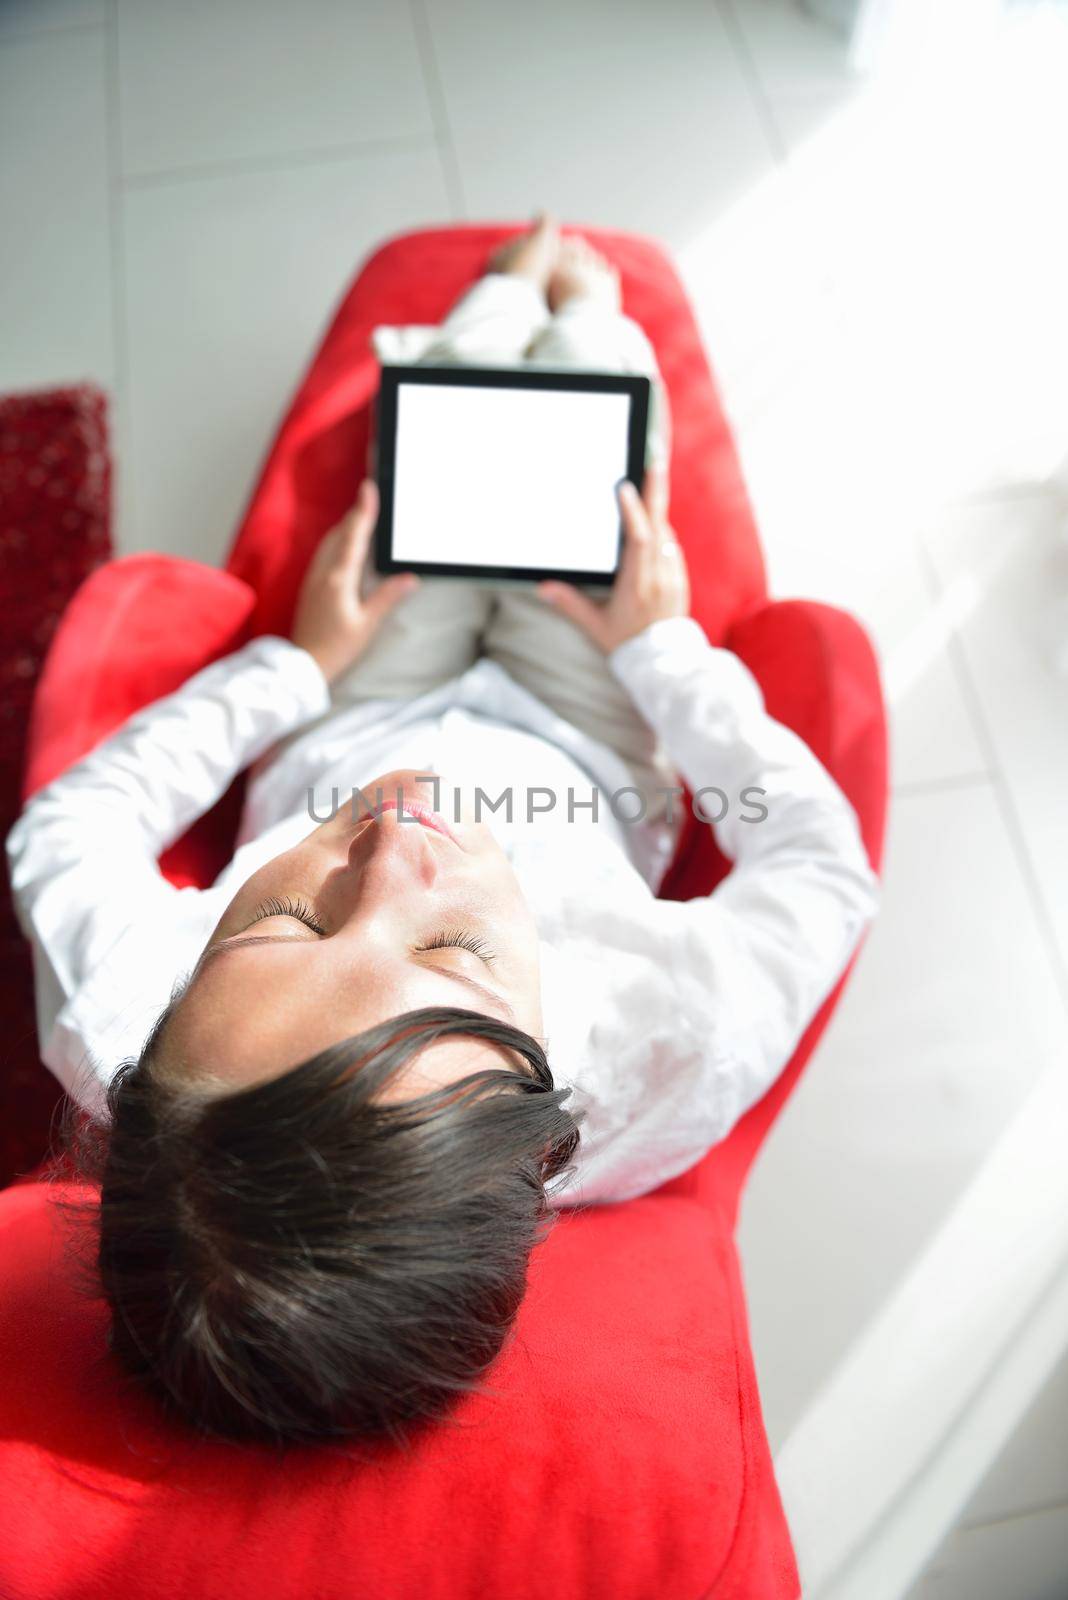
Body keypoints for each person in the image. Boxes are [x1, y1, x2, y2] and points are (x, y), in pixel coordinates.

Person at [6, 215, 879, 1447]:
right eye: (457, 955)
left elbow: (71, 823)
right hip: (585, 737)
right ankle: (579, 312)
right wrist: (664, 656)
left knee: (434, 457)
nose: (403, 841)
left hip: (350, 710)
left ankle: (502, 295)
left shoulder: (134, 1028)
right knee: (594, 444)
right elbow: (817, 860)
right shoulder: (674, 1044)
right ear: (549, 1110)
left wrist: (292, 668)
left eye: (289, 916)